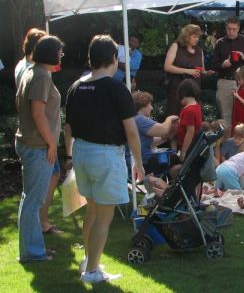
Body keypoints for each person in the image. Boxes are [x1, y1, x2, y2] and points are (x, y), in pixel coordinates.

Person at [64, 35, 145, 283]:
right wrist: (139, 163)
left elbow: (68, 128)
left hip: (80, 153)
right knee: (104, 217)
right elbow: (131, 130)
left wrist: (69, 156)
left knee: (93, 210)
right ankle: (92, 271)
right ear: (113, 58)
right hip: (105, 155)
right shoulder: (115, 87)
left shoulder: (76, 86)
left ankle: (89, 262)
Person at [15, 35, 64, 262]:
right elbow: (37, 113)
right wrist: (52, 143)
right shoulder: (41, 76)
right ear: (51, 53)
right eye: (59, 51)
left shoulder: (32, 71)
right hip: (37, 146)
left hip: (31, 143)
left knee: (30, 199)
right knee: (34, 201)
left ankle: (34, 248)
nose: (62, 55)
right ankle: (32, 253)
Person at [212, 17, 244, 130]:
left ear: (238, 28)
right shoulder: (220, 43)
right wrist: (223, 64)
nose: (231, 32)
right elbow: (213, 65)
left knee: (241, 116)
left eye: (234, 29)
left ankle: (241, 143)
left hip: (242, 84)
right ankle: (227, 143)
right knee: (226, 116)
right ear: (225, 28)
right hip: (225, 81)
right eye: (229, 29)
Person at [125, 91, 179, 175]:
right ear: (143, 105)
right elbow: (163, 129)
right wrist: (170, 119)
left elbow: (149, 142)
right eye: (150, 104)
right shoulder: (140, 119)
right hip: (143, 162)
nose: (152, 108)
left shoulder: (135, 119)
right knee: (175, 159)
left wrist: (166, 137)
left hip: (137, 161)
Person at [164, 24, 212, 116]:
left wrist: (206, 73)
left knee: (192, 120)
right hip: (177, 92)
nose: (197, 39)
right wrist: (188, 71)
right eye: (194, 37)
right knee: (176, 120)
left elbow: (202, 70)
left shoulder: (199, 51)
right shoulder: (176, 46)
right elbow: (167, 67)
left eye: (198, 37)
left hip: (194, 93)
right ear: (186, 36)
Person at [176, 79, 203, 161]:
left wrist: (183, 151)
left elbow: (190, 131)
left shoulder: (189, 110)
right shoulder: (196, 106)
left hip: (189, 147)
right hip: (192, 145)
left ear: (183, 94)